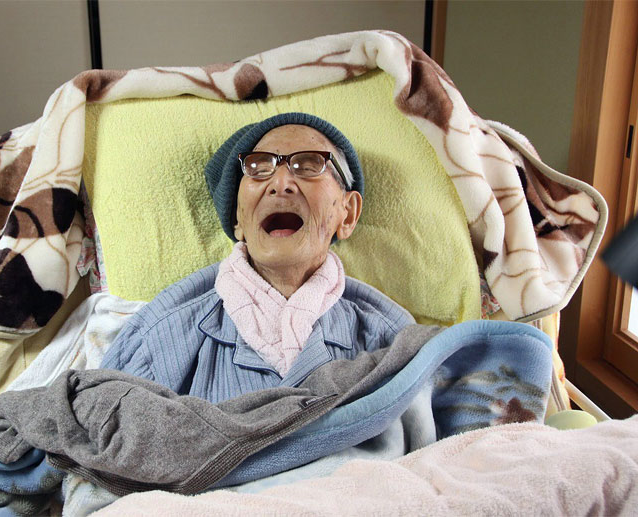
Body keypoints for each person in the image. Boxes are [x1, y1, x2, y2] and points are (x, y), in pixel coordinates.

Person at [100, 112, 415, 402]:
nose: (280, 184)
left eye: (309, 165)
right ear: (237, 218)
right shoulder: (159, 338)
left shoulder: (395, 341)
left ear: (348, 213)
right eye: (258, 168)